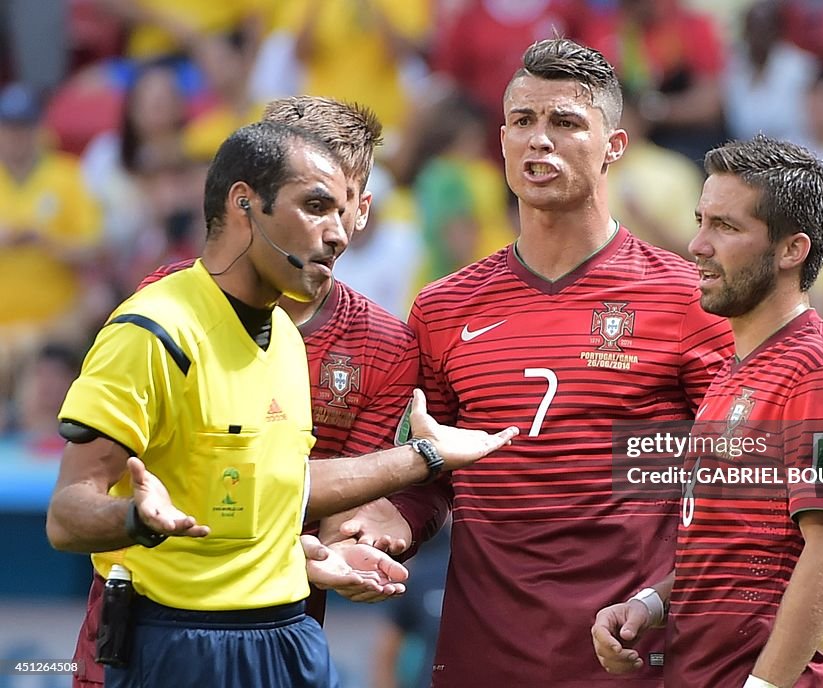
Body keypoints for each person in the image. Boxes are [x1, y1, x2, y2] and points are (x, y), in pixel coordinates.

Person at [46, 121, 518, 688]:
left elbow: (277, 491)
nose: (338, 232)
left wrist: (331, 538)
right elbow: (66, 515)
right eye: (316, 206)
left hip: (289, 636)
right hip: (177, 640)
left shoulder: (287, 340)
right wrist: (134, 518)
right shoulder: (154, 328)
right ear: (245, 203)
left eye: (345, 212)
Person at [341, 38, 734, 687]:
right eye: (523, 121)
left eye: (566, 122)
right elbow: (426, 476)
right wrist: (382, 528)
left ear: (615, 147)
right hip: (483, 659)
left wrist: (661, 600)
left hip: (636, 662)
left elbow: (740, 487)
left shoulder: (688, 299)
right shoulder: (442, 309)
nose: (539, 140)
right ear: (500, 141)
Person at [591, 134, 823, 688]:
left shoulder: (821, 373)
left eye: (725, 226)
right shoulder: (733, 371)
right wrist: (652, 604)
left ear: (792, 250)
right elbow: (740, 548)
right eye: (700, 220)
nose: (698, 244)